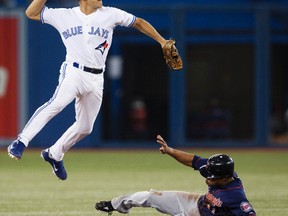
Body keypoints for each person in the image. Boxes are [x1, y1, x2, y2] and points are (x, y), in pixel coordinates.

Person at [7, 0, 170, 180]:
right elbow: (31, 13)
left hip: (97, 77)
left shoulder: (110, 14)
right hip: (74, 72)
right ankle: (21, 141)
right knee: (56, 104)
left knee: (85, 127)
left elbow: (138, 22)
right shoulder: (64, 15)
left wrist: (162, 41)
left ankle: (54, 153)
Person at [95, 135, 256, 216]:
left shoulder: (236, 197)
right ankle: (115, 204)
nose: (207, 178)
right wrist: (170, 151)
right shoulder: (221, 171)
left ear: (223, 178)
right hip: (197, 202)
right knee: (152, 196)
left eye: (211, 176)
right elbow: (194, 160)